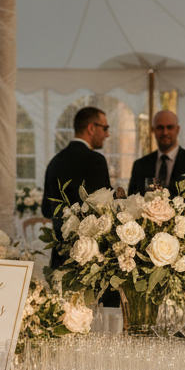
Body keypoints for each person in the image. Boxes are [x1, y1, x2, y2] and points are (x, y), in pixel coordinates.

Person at [42, 106, 112, 268]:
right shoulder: (95, 160)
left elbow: (46, 209)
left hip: (59, 257)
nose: (107, 134)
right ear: (91, 128)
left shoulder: (54, 162)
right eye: (105, 128)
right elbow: (103, 212)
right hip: (88, 260)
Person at [126, 110, 185, 200]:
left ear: (178, 129)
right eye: (160, 127)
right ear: (153, 130)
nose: (165, 132)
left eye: (170, 127)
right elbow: (131, 202)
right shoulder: (140, 165)